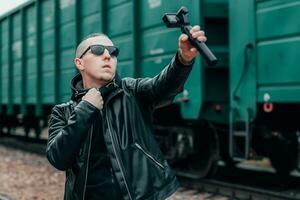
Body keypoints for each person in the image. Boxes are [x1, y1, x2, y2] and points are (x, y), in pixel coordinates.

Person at [46, 25, 207, 200]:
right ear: (80, 63)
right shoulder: (63, 112)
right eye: (98, 50)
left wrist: (183, 59)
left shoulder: (131, 91)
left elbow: (162, 86)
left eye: (113, 51)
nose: (107, 55)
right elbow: (58, 158)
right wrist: (85, 109)